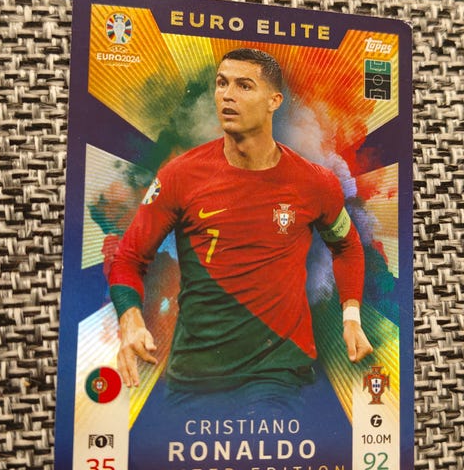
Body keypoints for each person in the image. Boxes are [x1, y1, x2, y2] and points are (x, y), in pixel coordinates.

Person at [108, 48, 373, 411]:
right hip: (195, 372)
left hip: (279, 368)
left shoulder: (315, 183)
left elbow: (347, 246)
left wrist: (351, 317)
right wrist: (131, 318)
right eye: (222, 84)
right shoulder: (179, 176)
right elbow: (129, 258)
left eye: (244, 86)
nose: (227, 95)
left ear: (274, 101)